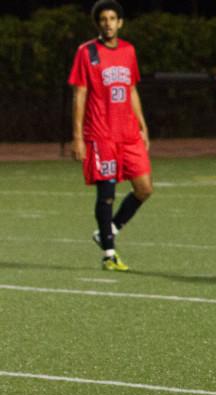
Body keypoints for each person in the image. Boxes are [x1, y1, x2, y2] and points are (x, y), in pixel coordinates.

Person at [69, 0, 153, 271]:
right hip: (101, 134)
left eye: (113, 18)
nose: (108, 23)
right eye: (103, 19)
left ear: (120, 22)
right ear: (98, 24)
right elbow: (80, 94)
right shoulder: (87, 52)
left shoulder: (129, 51)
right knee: (106, 194)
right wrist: (78, 136)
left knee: (144, 188)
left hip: (128, 133)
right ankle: (109, 252)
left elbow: (131, 89)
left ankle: (109, 229)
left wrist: (142, 124)